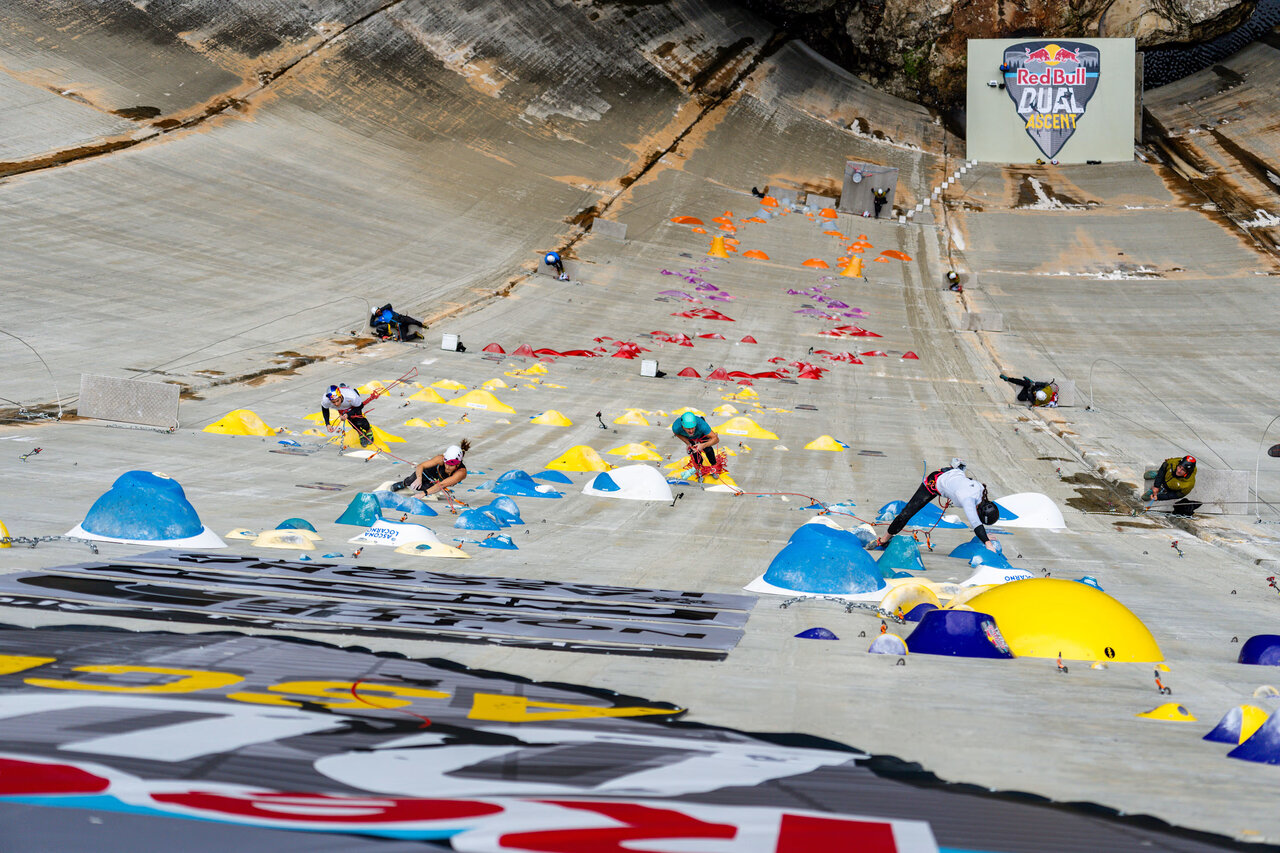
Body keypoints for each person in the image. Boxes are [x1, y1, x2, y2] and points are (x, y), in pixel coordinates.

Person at [876, 459, 1000, 550]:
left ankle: (954, 467)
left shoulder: (980, 489)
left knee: (955, 477)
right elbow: (975, 523)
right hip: (934, 482)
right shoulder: (968, 500)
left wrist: (985, 537)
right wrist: (987, 543)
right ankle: (884, 539)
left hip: (954, 474)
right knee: (907, 513)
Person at [392, 440, 471, 498]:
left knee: (421, 488)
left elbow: (442, 485)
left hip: (440, 481)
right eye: (446, 463)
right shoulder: (440, 459)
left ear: (458, 464)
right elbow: (421, 466)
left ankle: (429, 490)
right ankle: (404, 483)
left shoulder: (461, 473)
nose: (447, 467)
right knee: (412, 480)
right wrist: (419, 478)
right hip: (430, 471)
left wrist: (423, 494)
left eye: (451, 466)